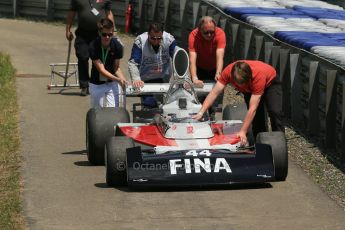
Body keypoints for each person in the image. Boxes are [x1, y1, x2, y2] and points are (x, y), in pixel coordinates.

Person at [193, 60, 285, 146]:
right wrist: (201, 112)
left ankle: (279, 143)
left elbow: (253, 109)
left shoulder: (258, 77)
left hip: (270, 83)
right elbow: (214, 93)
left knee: (275, 112)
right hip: (250, 88)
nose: (240, 86)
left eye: (242, 83)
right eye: (237, 83)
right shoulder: (227, 72)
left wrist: (243, 131)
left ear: (249, 78)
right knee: (257, 119)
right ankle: (260, 146)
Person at [65, 0, 115, 96]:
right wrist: (68, 29)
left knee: (97, 59)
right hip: (82, 34)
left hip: (99, 34)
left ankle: (94, 84)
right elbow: (71, 13)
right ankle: (84, 86)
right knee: (82, 57)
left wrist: (113, 30)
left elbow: (109, 14)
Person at [88, 18, 127, 108]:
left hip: (111, 83)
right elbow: (101, 70)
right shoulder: (93, 46)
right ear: (99, 33)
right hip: (96, 83)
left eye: (110, 34)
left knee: (113, 110)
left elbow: (116, 67)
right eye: (104, 34)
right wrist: (117, 79)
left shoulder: (117, 46)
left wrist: (123, 80)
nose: (107, 37)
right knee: (97, 111)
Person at [128, 22, 177, 87]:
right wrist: (136, 79)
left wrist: (183, 79)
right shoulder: (140, 41)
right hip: (145, 80)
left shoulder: (169, 40)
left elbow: (178, 59)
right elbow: (133, 63)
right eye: (153, 38)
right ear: (148, 34)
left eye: (159, 38)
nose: (156, 41)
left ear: (162, 34)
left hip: (163, 79)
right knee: (150, 97)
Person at [188, 16, 226, 88]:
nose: (209, 35)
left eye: (212, 32)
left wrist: (218, 73)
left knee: (217, 93)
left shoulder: (220, 33)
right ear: (200, 30)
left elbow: (220, 56)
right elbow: (192, 59)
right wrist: (194, 78)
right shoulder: (193, 36)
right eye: (206, 32)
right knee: (199, 93)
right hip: (199, 68)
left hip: (215, 67)